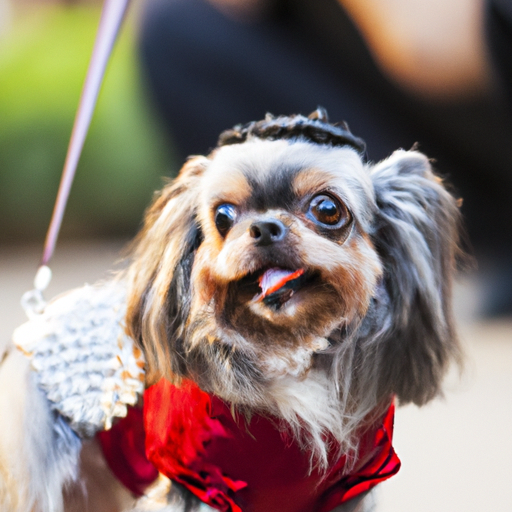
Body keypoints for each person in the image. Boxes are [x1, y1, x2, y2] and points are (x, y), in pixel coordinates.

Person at [138, 0, 512, 315]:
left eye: (325, 211)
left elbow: (431, 46)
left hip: (473, 87)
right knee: (181, 29)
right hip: (429, 143)